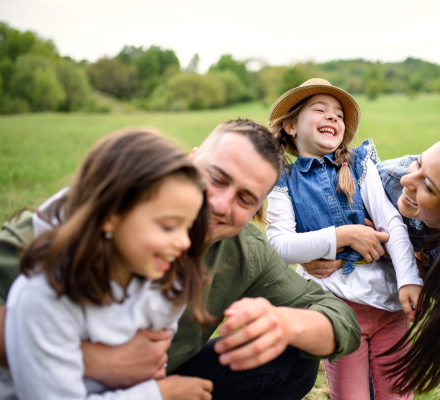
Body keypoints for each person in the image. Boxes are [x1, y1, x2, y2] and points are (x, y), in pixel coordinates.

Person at [0, 119, 361, 400]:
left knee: (294, 359)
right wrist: (98, 361)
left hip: (161, 383)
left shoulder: (242, 249)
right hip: (48, 378)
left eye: (245, 199)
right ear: (189, 162)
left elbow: (343, 321)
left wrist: (283, 324)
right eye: (216, 178)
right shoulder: (99, 211)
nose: (220, 204)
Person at [303, 130, 440, 399]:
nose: (406, 179)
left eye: (428, 186)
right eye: (419, 162)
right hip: (381, 304)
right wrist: (318, 248)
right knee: (370, 378)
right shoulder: (384, 181)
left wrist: (405, 264)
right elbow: (313, 219)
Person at [3, 129, 214, 399]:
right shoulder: (44, 296)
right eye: (169, 226)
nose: (185, 242)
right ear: (110, 215)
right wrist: (159, 394)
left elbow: (146, 372)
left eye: (188, 227)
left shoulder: (164, 280)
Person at [266, 78, 422, 400]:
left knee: (397, 394)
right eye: (320, 110)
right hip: (335, 311)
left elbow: (390, 222)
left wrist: (408, 278)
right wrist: (343, 235)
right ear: (291, 125)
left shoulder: (360, 165)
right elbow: (280, 246)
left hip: (388, 305)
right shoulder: (285, 180)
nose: (333, 117)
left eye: (338, 114)